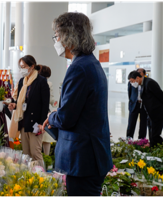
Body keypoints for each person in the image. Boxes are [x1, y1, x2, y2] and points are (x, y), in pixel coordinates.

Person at [41, 12, 112, 196]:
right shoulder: (90, 63)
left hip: (83, 159)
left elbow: (66, 118)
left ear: (68, 36)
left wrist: (51, 116)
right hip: (90, 156)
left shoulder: (79, 68)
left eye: (57, 36)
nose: (56, 41)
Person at [8, 55, 49, 162]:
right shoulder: (22, 81)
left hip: (36, 123)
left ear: (32, 66)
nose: (22, 69)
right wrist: (14, 105)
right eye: (20, 67)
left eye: (24, 66)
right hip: (23, 122)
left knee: (35, 153)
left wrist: (42, 123)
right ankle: (29, 177)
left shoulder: (41, 81)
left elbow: (45, 105)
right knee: (26, 155)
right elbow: (21, 101)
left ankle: (41, 177)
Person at [128, 71, 163, 146]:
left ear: (137, 78)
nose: (132, 83)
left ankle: (158, 149)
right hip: (150, 114)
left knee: (155, 135)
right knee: (151, 134)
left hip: (157, 113)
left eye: (132, 81)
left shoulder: (149, 83)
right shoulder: (142, 84)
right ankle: (153, 149)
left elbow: (161, 95)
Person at [38, 65, 56, 155]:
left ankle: (38, 159)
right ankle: (46, 157)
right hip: (45, 111)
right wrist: (54, 103)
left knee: (38, 137)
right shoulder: (49, 84)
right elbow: (51, 99)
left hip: (36, 111)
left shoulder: (34, 82)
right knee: (46, 137)